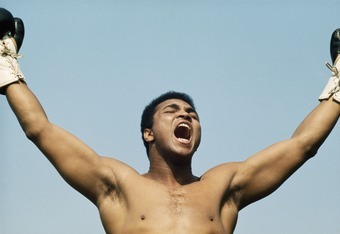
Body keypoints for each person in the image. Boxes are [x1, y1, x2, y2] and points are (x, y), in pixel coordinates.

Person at [1, 9, 340, 234]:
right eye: (172, 110)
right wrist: (6, 64)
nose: (186, 115)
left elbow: (302, 145)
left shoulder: (223, 186)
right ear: (148, 133)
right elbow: (40, 129)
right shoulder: (118, 184)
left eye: (192, 113)